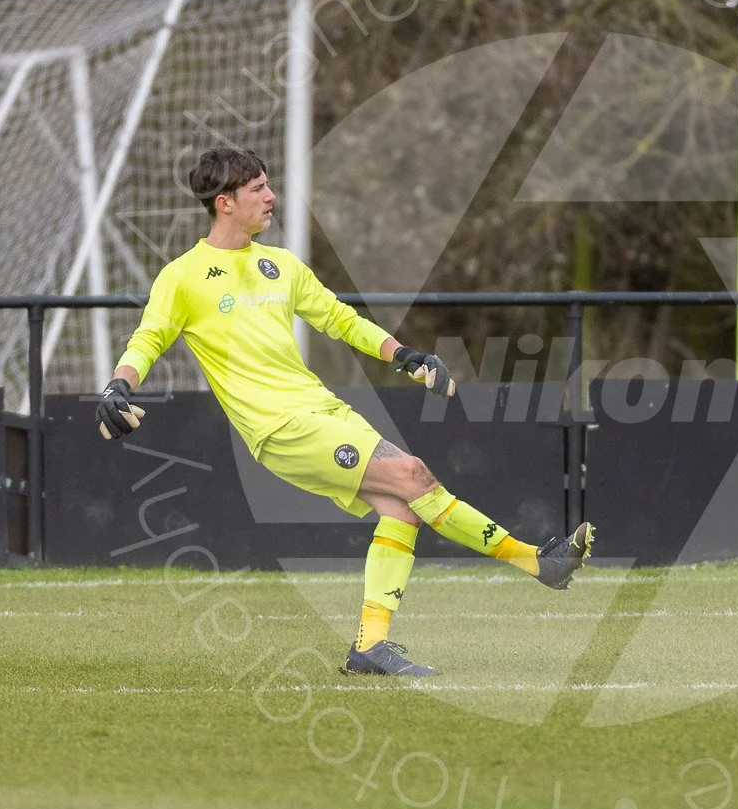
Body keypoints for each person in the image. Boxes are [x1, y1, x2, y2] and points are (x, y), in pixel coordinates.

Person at [95, 146, 593, 676]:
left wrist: (405, 356)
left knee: (403, 505)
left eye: (269, 185)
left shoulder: (280, 264)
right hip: (280, 428)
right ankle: (539, 562)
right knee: (411, 473)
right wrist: (117, 388)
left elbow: (340, 319)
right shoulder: (183, 276)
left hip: (321, 409)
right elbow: (147, 341)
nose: (272, 196)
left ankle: (370, 647)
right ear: (224, 203)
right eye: (258, 189)